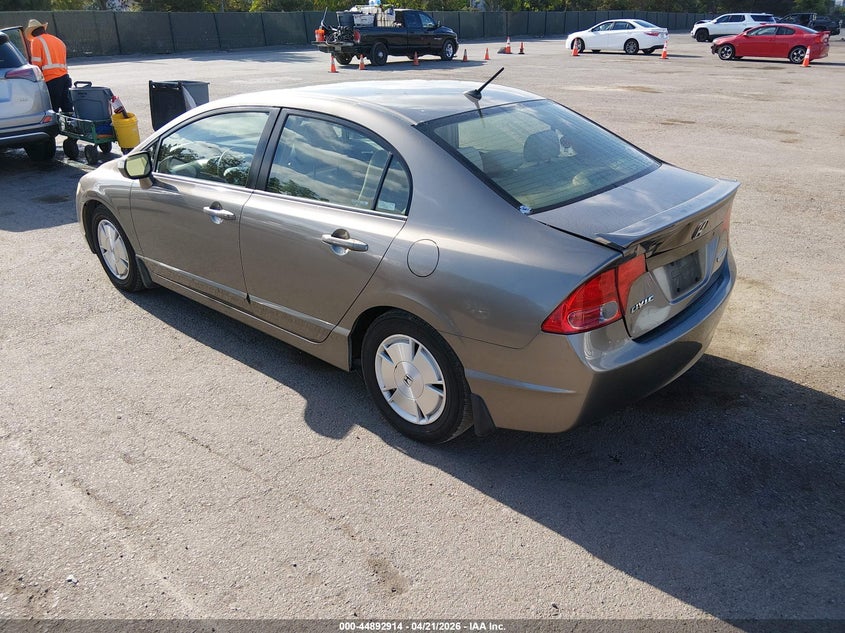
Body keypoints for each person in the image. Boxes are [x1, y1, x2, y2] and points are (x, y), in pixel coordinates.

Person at [25, 18, 72, 114]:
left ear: (33, 33)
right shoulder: (58, 41)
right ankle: (72, 126)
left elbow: (36, 65)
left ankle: (55, 128)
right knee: (67, 107)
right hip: (65, 77)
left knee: (52, 109)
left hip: (51, 80)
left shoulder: (36, 41)